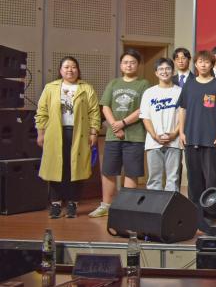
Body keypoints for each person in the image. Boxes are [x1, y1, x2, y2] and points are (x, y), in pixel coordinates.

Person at [36, 56, 100, 219]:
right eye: (66, 67)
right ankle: (56, 204)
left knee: (76, 168)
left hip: (79, 133)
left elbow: (94, 112)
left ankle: (73, 204)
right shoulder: (50, 88)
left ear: (78, 69)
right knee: (56, 168)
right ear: (60, 70)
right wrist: (40, 133)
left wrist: (93, 132)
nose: (70, 70)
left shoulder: (86, 88)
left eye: (73, 67)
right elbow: (42, 112)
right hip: (55, 134)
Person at [93, 49, 149, 218]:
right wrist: (115, 126)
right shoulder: (113, 83)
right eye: (125, 62)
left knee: (131, 172)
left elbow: (142, 109)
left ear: (138, 65)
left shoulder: (143, 84)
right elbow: (105, 106)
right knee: (109, 170)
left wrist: (123, 123)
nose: (129, 65)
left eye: (132, 62)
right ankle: (106, 205)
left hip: (135, 136)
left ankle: (127, 207)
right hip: (113, 136)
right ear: (120, 65)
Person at [177, 50, 216, 206]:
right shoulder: (189, 84)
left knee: (211, 179)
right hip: (191, 137)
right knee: (193, 178)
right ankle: (195, 211)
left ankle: (211, 210)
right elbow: (182, 109)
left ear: (212, 65)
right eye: (200, 61)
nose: (203, 65)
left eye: (207, 62)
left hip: (211, 139)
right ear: (195, 64)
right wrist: (181, 132)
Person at [140, 58, 182, 193]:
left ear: (173, 71)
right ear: (156, 73)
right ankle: (154, 206)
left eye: (168, 68)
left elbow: (183, 117)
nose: (165, 72)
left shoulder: (180, 91)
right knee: (154, 179)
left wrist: (174, 134)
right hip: (153, 142)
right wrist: (154, 136)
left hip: (174, 142)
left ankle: (172, 206)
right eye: (161, 69)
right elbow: (145, 117)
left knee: (173, 179)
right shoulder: (149, 92)